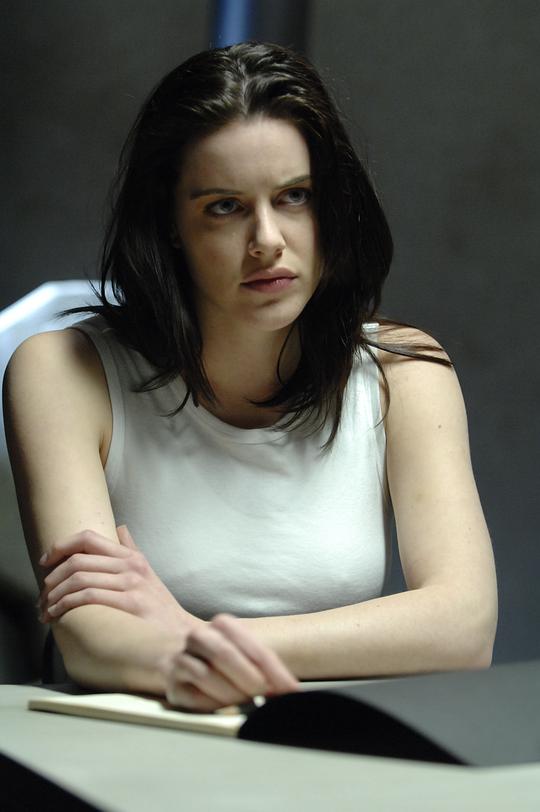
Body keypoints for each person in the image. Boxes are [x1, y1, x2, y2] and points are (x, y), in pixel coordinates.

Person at [3, 41, 497, 711]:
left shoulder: (402, 372)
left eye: (295, 197)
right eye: (225, 207)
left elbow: (464, 627)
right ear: (170, 225)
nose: (268, 240)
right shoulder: (62, 371)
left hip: (320, 744)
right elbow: (92, 640)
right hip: (127, 744)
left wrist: (188, 635)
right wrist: (202, 649)